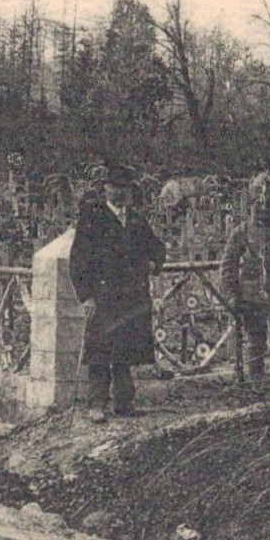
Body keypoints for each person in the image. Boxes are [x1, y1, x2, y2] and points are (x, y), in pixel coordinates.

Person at [68, 166, 166, 422]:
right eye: (114, 187)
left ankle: (124, 403)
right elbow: (78, 260)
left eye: (124, 189)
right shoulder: (93, 219)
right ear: (105, 189)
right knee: (100, 351)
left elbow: (156, 247)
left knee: (124, 351)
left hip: (131, 297)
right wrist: (86, 296)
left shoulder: (135, 219)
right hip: (103, 296)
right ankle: (96, 405)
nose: (119, 193)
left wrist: (155, 263)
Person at [219, 173, 270, 383]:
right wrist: (231, 296)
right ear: (251, 204)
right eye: (259, 203)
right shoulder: (241, 232)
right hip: (251, 299)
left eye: (269, 203)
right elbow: (228, 266)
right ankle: (257, 389)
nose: (264, 208)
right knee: (255, 345)